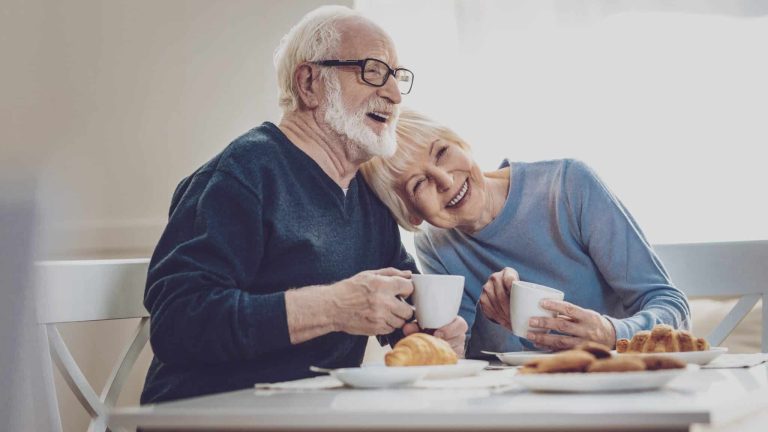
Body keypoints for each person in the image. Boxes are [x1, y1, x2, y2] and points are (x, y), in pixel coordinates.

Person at [141, 7, 467, 404]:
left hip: (313, 414)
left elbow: (400, 305)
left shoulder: (367, 195)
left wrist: (431, 332)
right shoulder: (243, 173)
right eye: (373, 71)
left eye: (397, 76)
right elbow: (178, 322)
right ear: (310, 83)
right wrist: (332, 307)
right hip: (211, 414)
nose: (395, 94)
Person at [360, 109, 690, 357]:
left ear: (462, 143)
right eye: (419, 184)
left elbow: (672, 307)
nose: (445, 180)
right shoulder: (436, 245)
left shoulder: (568, 186)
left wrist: (610, 332)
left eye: (442, 152)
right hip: (528, 409)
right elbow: (472, 361)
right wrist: (483, 327)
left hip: (619, 388)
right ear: (411, 214)